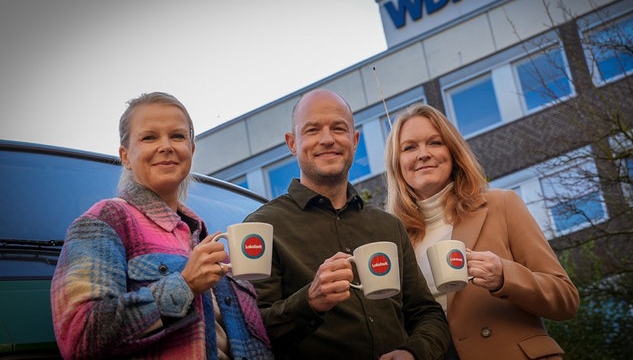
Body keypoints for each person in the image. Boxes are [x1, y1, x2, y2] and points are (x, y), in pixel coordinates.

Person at [50, 92, 273, 359]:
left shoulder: (207, 239)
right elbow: (80, 336)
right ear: (126, 156)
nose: (166, 145)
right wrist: (185, 285)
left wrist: (309, 303)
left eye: (177, 136)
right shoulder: (107, 219)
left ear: (191, 149)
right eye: (149, 137)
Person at [244, 89, 451, 359]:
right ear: (292, 143)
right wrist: (309, 301)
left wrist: (413, 352)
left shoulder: (388, 226)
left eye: (338, 129)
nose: (327, 139)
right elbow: (251, 330)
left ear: (354, 140)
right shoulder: (261, 228)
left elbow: (427, 313)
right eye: (313, 130)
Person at [384, 104, 579, 359]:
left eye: (435, 142)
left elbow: (565, 298)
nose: (423, 154)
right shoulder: (392, 238)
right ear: (397, 164)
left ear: (452, 152)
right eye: (409, 147)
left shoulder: (502, 204)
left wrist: (503, 276)